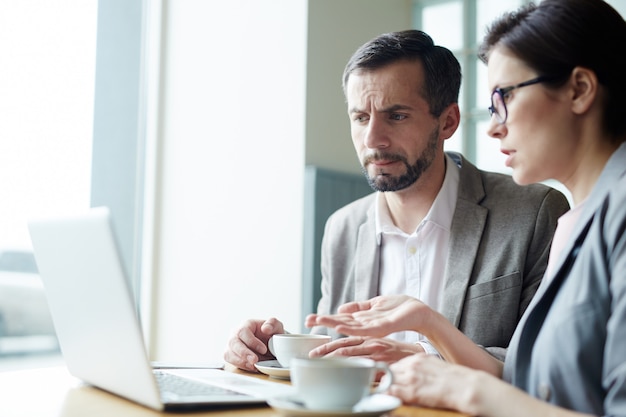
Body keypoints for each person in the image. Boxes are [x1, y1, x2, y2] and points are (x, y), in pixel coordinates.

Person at [306, 0, 626, 415]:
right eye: (360, 118)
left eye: (504, 96)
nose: (493, 126)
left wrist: (463, 386)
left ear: (580, 90)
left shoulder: (568, 212)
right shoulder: (578, 222)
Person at [224, 29, 570, 372]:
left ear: (448, 121)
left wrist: (424, 356)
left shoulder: (535, 212)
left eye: (397, 116)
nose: (373, 139)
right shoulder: (342, 228)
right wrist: (274, 352)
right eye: (360, 118)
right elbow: (331, 352)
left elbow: (546, 365)